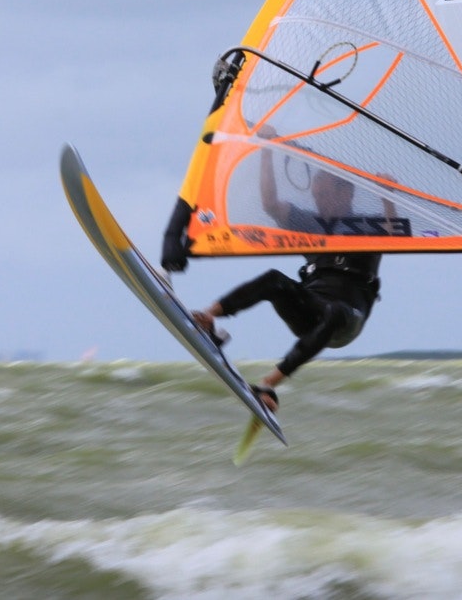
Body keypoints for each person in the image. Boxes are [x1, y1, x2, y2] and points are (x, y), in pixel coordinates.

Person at [160, 125, 394, 414]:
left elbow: (392, 229)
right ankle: (209, 319)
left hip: (348, 316)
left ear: (346, 195)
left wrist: (387, 198)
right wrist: (267, 151)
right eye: (316, 193)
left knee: (334, 312)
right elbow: (271, 205)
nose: (318, 199)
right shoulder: (311, 224)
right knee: (275, 280)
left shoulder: (367, 227)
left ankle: (269, 385)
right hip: (310, 306)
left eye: (324, 193)